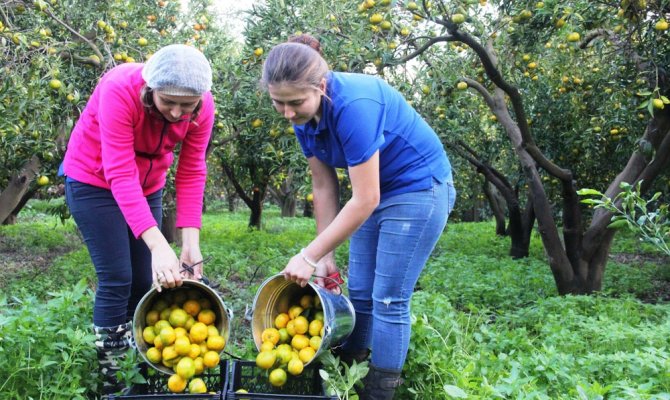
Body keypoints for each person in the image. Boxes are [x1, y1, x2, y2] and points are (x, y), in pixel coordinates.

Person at [261, 35, 456, 400]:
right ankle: (349, 375)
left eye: (295, 102)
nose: (288, 112)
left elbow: (365, 198)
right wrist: (325, 258)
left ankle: (379, 392)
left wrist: (308, 255)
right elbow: (323, 186)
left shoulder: (355, 106)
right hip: (375, 192)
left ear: (320, 86)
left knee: (388, 299)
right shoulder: (302, 116)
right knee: (361, 292)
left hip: (417, 188)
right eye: (278, 103)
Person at [61, 44, 214, 396]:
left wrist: (190, 245)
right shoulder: (119, 88)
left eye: (186, 106)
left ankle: (138, 369)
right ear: (150, 89)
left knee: (144, 280)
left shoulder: (203, 108)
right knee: (118, 277)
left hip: (148, 185)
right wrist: (159, 243)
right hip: (94, 180)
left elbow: (192, 170)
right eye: (167, 102)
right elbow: (119, 170)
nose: (177, 113)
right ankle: (113, 380)